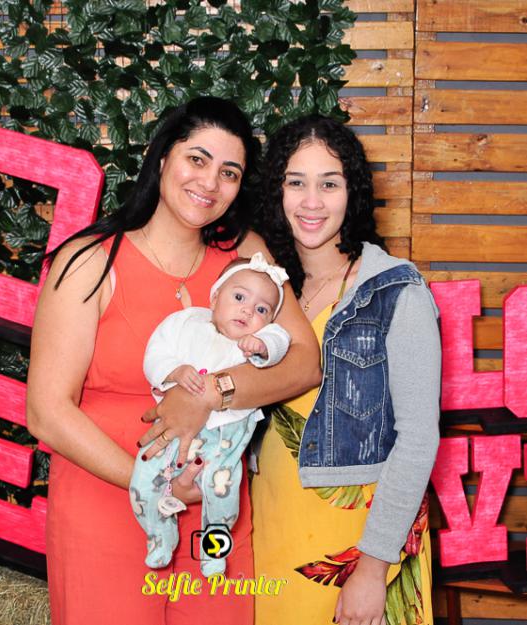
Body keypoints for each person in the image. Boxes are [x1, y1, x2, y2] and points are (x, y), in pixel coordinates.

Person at [26, 97, 320, 625]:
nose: (210, 182)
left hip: (216, 511)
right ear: (163, 159)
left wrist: (213, 393)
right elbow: (47, 412)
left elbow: (304, 362)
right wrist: (154, 484)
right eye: (197, 159)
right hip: (108, 504)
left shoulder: (245, 259)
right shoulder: (90, 261)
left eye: (229, 172)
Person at [252, 114, 441, 625]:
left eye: (329, 184)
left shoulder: (395, 290)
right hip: (270, 523)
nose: (311, 202)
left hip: (360, 540)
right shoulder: (263, 289)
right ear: (276, 190)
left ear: (352, 191)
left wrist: (373, 568)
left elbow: (418, 438)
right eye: (296, 182)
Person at [132, 252, 291, 576]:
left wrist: (264, 345)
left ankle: (214, 551)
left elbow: (281, 340)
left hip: (225, 439)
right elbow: (156, 351)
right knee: (143, 480)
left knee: (223, 497)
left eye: (262, 309)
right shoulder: (188, 322)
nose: (248, 310)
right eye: (239, 297)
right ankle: (159, 535)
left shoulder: (253, 345)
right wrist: (174, 371)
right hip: (174, 432)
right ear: (216, 297)